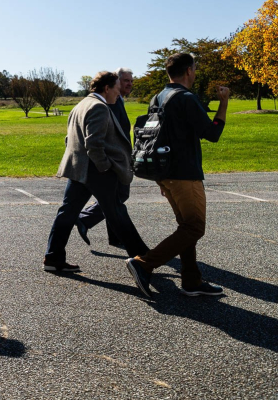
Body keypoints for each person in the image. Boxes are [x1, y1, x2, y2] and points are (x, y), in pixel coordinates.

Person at [126, 53, 230, 299]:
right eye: (194, 68)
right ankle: (143, 263)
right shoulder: (185, 98)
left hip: (165, 172)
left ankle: (192, 281)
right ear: (188, 71)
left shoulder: (158, 97)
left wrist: (162, 176)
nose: (195, 72)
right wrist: (223, 102)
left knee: (186, 227)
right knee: (194, 228)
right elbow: (212, 133)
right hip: (184, 174)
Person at [43, 72, 148, 273]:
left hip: (77, 169)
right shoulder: (99, 107)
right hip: (95, 170)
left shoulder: (80, 105)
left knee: (67, 212)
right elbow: (94, 144)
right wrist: (105, 167)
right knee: (116, 211)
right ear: (107, 88)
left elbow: (69, 139)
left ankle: (53, 257)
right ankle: (143, 258)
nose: (118, 95)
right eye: (117, 90)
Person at [76, 67, 133, 248]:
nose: (129, 84)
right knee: (119, 196)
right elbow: (99, 136)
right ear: (114, 84)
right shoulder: (109, 102)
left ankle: (115, 237)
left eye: (131, 81)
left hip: (117, 158)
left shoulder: (119, 100)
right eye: (125, 81)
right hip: (112, 159)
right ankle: (85, 219)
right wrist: (106, 164)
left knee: (116, 197)